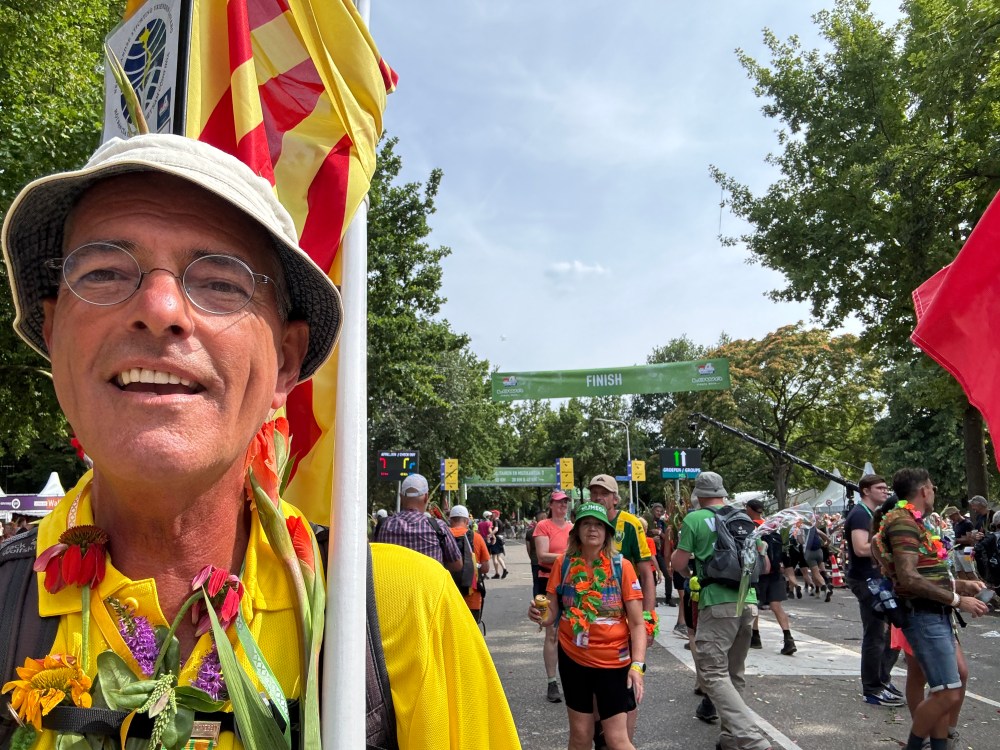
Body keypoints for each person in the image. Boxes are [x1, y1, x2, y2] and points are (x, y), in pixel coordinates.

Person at [0, 134, 520, 749]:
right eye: (105, 273)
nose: (160, 308)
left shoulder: (399, 610)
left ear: (285, 362)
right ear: (53, 332)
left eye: (220, 282)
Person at [873, 468, 989, 750]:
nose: (934, 492)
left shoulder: (911, 521)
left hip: (934, 614)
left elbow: (926, 574)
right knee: (947, 693)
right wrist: (957, 600)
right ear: (924, 490)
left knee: (944, 690)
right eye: (933, 488)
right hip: (924, 615)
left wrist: (962, 585)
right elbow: (909, 578)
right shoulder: (903, 522)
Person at [528, 502, 646, 750]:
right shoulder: (564, 564)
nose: (593, 529)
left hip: (613, 662)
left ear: (607, 533)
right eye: (586, 524)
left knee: (616, 739)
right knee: (580, 736)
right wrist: (539, 614)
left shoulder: (621, 567)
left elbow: (637, 624)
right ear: (577, 531)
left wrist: (637, 666)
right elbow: (551, 614)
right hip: (574, 658)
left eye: (599, 525)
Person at [671, 471, 772, 750]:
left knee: (713, 672)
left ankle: (752, 739)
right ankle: (729, 738)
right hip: (748, 602)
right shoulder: (745, 519)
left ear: (698, 494)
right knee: (734, 672)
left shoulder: (694, 519)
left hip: (716, 603)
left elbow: (677, 563)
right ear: (722, 492)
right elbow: (764, 565)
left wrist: (690, 571)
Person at [586, 475, 656, 744]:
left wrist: (648, 618)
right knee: (594, 681)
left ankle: (624, 739)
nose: (598, 497)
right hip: (592, 618)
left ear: (615, 498)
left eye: (604, 493)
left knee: (627, 681)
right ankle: (602, 736)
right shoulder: (584, 522)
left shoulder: (629, 524)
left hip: (627, 612)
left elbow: (646, 572)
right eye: (594, 492)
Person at [844, 474, 902, 706]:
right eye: (880, 488)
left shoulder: (872, 513)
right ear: (866, 491)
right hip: (866, 579)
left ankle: (882, 679)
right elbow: (860, 548)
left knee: (891, 632)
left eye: (886, 488)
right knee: (876, 634)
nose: (885, 491)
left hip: (878, 578)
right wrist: (892, 544)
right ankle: (872, 688)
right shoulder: (859, 514)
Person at [372, 473, 463, 571]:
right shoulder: (438, 528)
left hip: (391, 580)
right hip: (428, 581)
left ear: (401, 497)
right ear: (426, 497)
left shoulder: (384, 526)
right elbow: (457, 565)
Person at [533, 490, 573, 703]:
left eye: (565, 502)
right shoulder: (543, 526)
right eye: (558, 502)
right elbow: (542, 555)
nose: (562, 506)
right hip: (547, 581)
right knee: (552, 633)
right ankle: (551, 682)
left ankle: (573, 678)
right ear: (550, 505)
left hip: (570, 582)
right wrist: (568, 556)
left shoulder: (573, 528)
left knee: (572, 630)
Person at [745, 499, 796, 656]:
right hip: (775, 573)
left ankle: (755, 637)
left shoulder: (751, 527)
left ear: (749, 509)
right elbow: (785, 553)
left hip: (758, 574)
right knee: (776, 606)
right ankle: (788, 638)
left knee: (754, 605)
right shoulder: (773, 527)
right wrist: (790, 574)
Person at [448, 505, 491, 622]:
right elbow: (486, 568)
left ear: (450, 520)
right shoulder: (476, 537)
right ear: (467, 521)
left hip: (447, 597)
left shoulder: (443, 536)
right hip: (472, 597)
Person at [525, 509, 548, 592]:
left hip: (535, 561)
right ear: (543, 518)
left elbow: (528, 548)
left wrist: (532, 558)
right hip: (547, 561)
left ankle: (537, 599)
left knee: (536, 583)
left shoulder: (530, 532)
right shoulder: (548, 531)